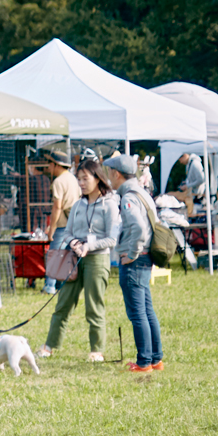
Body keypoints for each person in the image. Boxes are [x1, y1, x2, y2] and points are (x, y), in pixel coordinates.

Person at [41, 156, 119, 362]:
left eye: (85, 179)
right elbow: (66, 232)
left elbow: (112, 238)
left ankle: (97, 350)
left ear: (97, 178)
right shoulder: (77, 205)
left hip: (97, 260)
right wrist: (74, 242)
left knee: (94, 307)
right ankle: (49, 346)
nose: (81, 183)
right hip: (73, 258)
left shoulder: (109, 205)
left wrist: (89, 246)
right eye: (79, 179)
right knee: (63, 304)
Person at [106, 153, 164, 372]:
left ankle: (144, 362)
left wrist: (132, 252)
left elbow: (138, 228)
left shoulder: (129, 196)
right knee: (147, 310)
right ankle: (155, 359)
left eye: (110, 173)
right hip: (146, 257)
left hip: (135, 260)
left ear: (117, 174)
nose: (109, 177)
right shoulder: (142, 192)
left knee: (137, 313)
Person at [38, 143, 79, 294]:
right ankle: (61, 285)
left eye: (50, 163)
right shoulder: (72, 178)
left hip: (62, 224)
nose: (48, 167)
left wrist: (51, 228)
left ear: (56, 165)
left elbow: (57, 207)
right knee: (66, 255)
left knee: (54, 254)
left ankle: (49, 286)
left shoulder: (58, 182)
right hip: (73, 223)